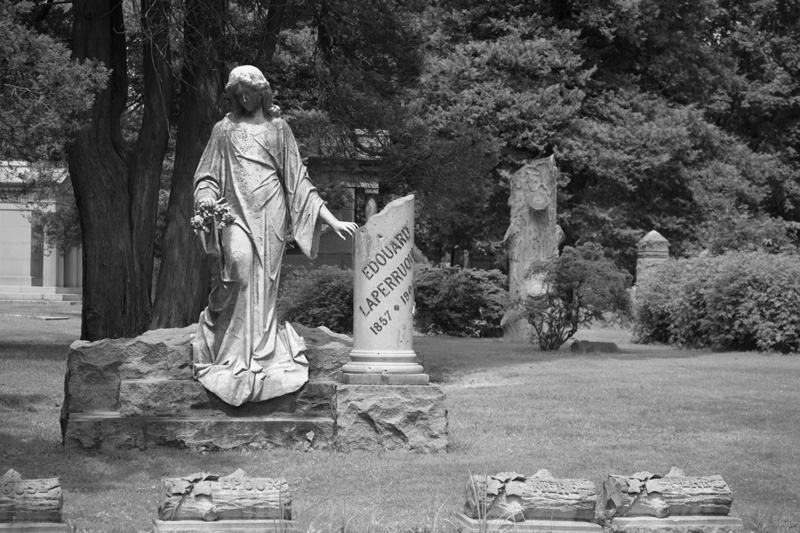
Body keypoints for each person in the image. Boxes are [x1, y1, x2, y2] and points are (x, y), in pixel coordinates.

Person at [192, 65, 358, 406]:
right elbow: (206, 176)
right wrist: (207, 199)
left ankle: (261, 354)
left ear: (263, 93)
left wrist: (331, 220)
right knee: (237, 269)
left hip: (271, 214)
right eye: (239, 92)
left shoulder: (279, 129)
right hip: (235, 213)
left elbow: (298, 183)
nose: (245, 97)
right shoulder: (223, 130)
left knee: (264, 288)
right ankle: (225, 344)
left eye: (251, 92)